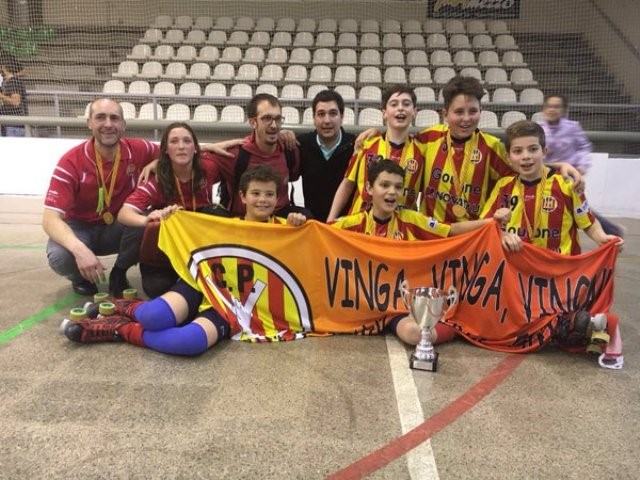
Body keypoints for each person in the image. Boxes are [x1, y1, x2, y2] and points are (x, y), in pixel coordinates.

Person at [61, 165, 307, 355]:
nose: (262, 199)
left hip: (232, 306)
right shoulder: (223, 226)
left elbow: (310, 256)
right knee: (153, 317)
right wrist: (171, 216)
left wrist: (300, 226)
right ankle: (125, 306)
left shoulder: (286, 230)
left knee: (189, 343)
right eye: (256, 193)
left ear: (278, 199)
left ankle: (119, 328)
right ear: (242, 196)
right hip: (201, 284)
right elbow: (186, 232)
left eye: (269, 194)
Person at [352, 76, 582, 224]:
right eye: (459, 112)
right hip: (433, 233)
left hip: (473, 237)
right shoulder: (429, 139)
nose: (466, 118)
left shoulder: (491, 147)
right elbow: (397, 141)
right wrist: (376, 132)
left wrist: (558, 166)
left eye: (473, 111)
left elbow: (523, 169)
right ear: (445, 114)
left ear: (481, 111)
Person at [331, 159, 511, 346]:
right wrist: (306, 223)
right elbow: (320, 235)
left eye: (398, 187)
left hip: (397, 306)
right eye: (384, 185)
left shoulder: (411, 219)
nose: (392, 192)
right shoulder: (351, 224)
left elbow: (450, 230)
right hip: (362, 305)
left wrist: (490, 223)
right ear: (369, 188)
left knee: (414, 335)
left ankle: (459, 327)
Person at [43, 98, 159, 296]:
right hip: (80, 228)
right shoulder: (71, 161)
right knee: (60, 256)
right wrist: (80, 250)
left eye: (114, 118)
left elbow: (175, 150)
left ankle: (119, 272)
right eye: (100, 118)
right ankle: (80, 277)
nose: (108, 124)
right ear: (89, 123)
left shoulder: (138, 149)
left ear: (123, 124)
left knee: (150, 223)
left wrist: (157, 162)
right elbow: (49, 219)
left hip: (118, 225)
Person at [481, 120, 624, 255]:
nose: (526, 156)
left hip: (560, 267)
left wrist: (601, 237)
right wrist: (501, 232)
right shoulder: (503, 186)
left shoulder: (567, 185)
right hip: (517, 266)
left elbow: (588, 222)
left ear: (544, 151)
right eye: (518, 151)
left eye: (533, 149)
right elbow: (485, 226)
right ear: (508, 157)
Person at [118, 122, 219, 298]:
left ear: (196, 148)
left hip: (196, 245)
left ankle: (208, 265)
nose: (181, 146)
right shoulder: (157, 180)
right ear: (165, 150)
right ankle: (121, 271)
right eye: (174, 141)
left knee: (217, 212)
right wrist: (147, 219)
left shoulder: (208, 168)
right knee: (156, 289)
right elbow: (123, 213)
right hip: (166, 252)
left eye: (187, 141)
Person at [327, 85, 426, 222]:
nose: (400, 108)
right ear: (384, 113)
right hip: (361, 225)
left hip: (400, 227)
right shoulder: (366, 144)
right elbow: (347, 183)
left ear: (414, 112)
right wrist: (331, 219)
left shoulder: (423, 150)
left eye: (406, 104)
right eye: (394, 104)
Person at [203, 93, 309, 218]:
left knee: (306, 217)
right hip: (243, 221)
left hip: (279, 221)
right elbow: (189, 162)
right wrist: (206, 147)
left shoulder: (290, 149)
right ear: (253, 122)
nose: (274, 125)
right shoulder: (234, 154)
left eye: (277, 119)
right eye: (267, 118)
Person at [539, 94, 625, 237]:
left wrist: (582, 166)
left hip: (567, 177)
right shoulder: (538, 129)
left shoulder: (572, 127)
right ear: (543, 109)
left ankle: (611, 231)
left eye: (557, 106)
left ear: (563, 110)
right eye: (549, 106)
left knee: (577, 207)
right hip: (545, 176)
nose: (552, 109)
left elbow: (584, 147)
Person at [296, 90, 356, 222]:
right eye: (321, 114)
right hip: (313, 225)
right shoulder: (301, 144)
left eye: (333, 113)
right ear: (313, 118)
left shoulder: (355, 146)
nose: (327, 120)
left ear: (342, 117)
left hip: (346, 226)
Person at [0, 56, 28, 137]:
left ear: (4, 67)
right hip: (6, 124)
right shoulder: (5, 82)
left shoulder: (14, 81)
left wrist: (1, 96)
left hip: (15, 126)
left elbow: (16, 102)